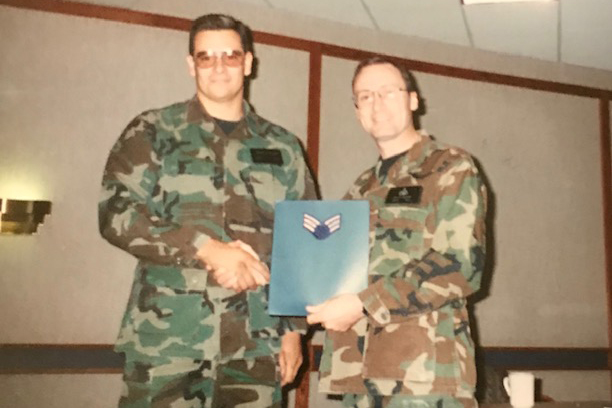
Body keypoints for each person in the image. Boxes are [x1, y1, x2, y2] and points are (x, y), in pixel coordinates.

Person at [99, 13, 317, 408]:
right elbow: (117, 214)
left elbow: (300, 243)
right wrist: (207, 248)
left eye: (231, 56)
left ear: (248, 63)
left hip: (256, 342)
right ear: (191, 65)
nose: (219, 67)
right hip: (168, 340)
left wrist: (292, 333)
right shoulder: (153, 131)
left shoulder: (283, 146)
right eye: (206, 57)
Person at [306, 56, 487, 408]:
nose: (377, 103)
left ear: (413, 100)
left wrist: (362, 303)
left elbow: (461, 266)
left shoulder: (449, 167)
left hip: (425, 378)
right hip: (357, 376)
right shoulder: (362, 186)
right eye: (366, 96)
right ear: (357, 109)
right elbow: (332, 267)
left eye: (388, 92)